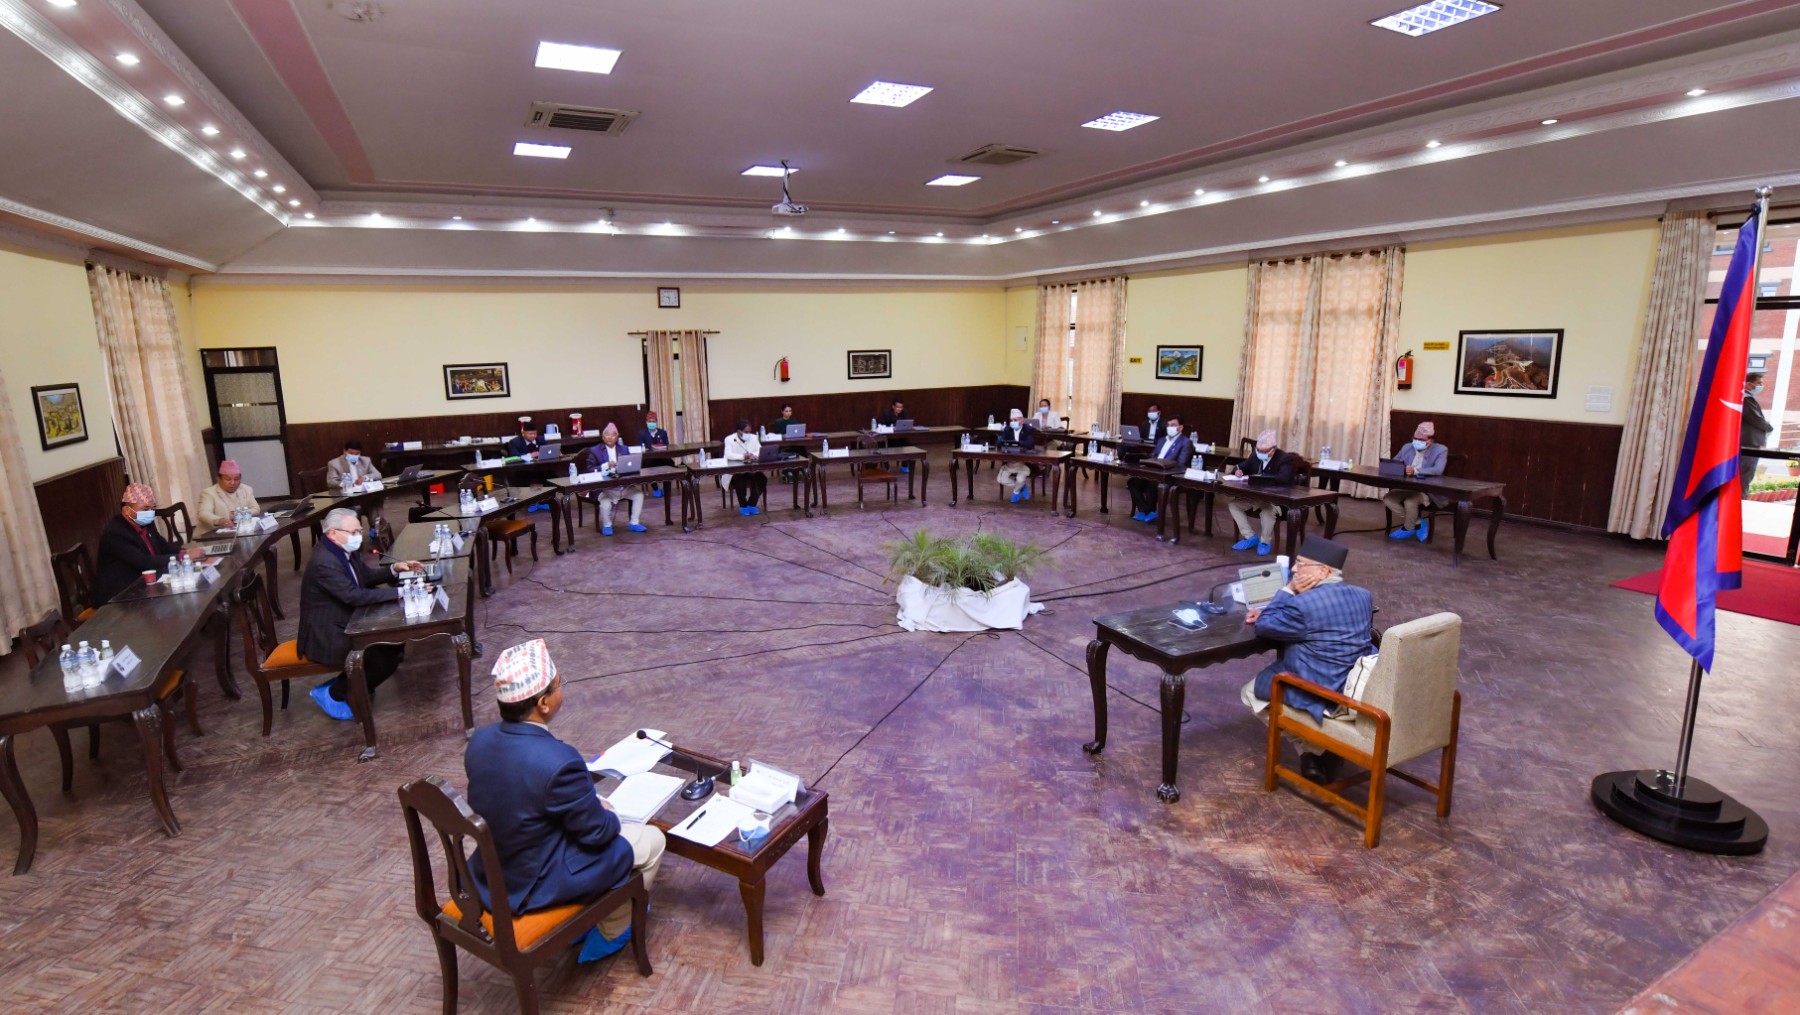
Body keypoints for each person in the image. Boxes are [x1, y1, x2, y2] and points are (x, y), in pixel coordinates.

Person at [464, 639, 665, 962]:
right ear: (543, 703)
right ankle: (613, 928)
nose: (561, 690)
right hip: (533, 884)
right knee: (651, 840)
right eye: (559, 684)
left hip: (493, 868)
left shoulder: (480, 740)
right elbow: (598, 833)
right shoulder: (558, 760)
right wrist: (608, 812)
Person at [1239, 535, 1375, 783]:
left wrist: (1288, 591)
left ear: (1323, 571)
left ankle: (1312, 747)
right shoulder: (1363, 596)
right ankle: (1312, 754)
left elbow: (1264, 626)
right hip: (1353, 684)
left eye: (1301, 564)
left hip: (1322, 692)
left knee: (1249, 693)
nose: (1294, 569)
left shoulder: (1302, 605)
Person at [297, 507, 423, 720]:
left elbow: (364, 576)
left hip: (347, 618)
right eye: (353, 532)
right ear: (333, 533)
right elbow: (354, 596)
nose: (358, 537)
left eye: (359, 531)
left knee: (395, 641)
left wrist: (394, 569)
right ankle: (335, 693)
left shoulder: (342, 548)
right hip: (326, 633)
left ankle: (358, 685)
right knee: (383, 659)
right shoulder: (324, 562)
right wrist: (403, 592)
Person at [95, 483, 187, 603]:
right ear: (126, 511)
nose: (150, 513)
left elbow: (163, 546)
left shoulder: (146, 523)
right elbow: (144, 562)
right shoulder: (115, 533)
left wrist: (185, 552)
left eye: (152, 509)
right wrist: (181, 557)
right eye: (145, 509)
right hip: (120, 597)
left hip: (147, 586)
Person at [1228, 429, 1297, 555]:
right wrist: (1237, 471)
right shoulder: (1256, 455)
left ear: (1273, 449)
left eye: (1264, 451)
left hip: (1276, 500)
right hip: (1256, 497)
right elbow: (1242, 466)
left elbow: (1284, 478)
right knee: (1234, 505)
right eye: (1258, 450)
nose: (1260, 453)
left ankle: (1265, 542)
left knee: (1267, 512)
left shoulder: (1284, 459)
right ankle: (1250, 537)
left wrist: (1260, 479)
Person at [1381, 422, 1449, 542]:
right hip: (1408, 486)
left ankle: (1408, 528)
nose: (1417, 441)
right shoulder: (1407, 447)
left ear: (1430, 441)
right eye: (1415, 438)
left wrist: (1416, 470)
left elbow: (1438, 470)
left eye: (1421, 440)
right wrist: (1402, 468)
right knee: (1388, 499)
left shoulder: (1440, 450)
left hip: (1428, 490)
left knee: (1410, 502)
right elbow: (1395, 462)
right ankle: (1417, 522)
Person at [580, 424, 647, 535]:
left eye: (613, 435)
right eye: (607, 434)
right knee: (605, 503)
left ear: (617, 437)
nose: (610, 437)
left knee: (638, 495)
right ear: (603, 437)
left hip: (622, 486)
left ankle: (634, 523)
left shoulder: (624, 449)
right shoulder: (594, 451)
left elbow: (630, 466)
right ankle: (607, 525)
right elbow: (589, 469)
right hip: (604, 489)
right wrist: (606, 465)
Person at [1128, 414, 1194, 522]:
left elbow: (1181, 464)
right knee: (1132, 483)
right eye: (1168, 425)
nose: (1170, 427)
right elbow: (1153, 456)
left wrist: (1163, 466)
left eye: (1173, 425)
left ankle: (1151, 511)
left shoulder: (1186, 443)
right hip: (1153, 471)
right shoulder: (1162, 440)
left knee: (1153, 483)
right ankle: (1145, 510)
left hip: (1169, 476)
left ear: (1181, 427)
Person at [195, 460, 260, 530]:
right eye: (228, 479)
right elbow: (203, 513)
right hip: (212, 533)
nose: (233, 483)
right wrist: (220, 521)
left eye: (236, 479)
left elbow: (256, 509)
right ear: (218, 479)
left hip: (240, 530)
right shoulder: (208, 493)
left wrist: (238, 515)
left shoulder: (246, 489)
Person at [722, 419, 767, 515]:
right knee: (740, 480)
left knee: (762, 479)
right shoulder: (729, 439)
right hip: (734, 470)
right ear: (739, 431)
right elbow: (728, 455)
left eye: (750, 432)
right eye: (746, 432)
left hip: (751, 468)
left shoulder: (753, 438)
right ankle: (743, 505)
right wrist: (743, 456)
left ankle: (751, 504)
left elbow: (760, 450)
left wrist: (753, 455)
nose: (748, 434)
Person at [994, 408, 1039, 503]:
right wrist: (1000, 441)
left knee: (1020, 479)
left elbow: (1030, 444)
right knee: (1000, 479)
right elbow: (1001, 443)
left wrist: (1017, 443)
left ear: (1022, 420)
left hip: (1024, 462)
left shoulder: (1028, 429)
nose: (1013, 422)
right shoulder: (1008, 429)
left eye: (1016, 420)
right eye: (1011, 420)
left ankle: (1016, 491)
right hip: (1010, 462)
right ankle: (1021, 487)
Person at [1742, 371, 1774, 496]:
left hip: (1748, 444)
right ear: (1749, 384)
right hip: (1749, 445)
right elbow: (1756, 419)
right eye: (1759, 383)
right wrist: (1769, 428)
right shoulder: (1747, 398)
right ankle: (1740, 503)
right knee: (1744, 478)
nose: (1761, 386)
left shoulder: (1746, 397)